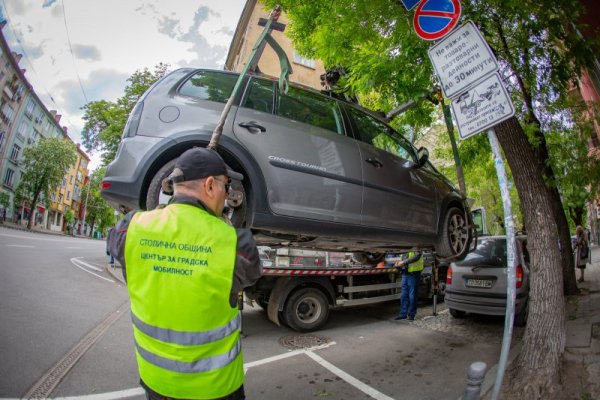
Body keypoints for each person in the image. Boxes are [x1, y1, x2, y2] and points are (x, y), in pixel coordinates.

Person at [108, 147, 262, 400]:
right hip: (216, 388)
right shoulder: (235, 243)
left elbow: (113, 243)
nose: (228, 194)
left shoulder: (131, 227)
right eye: (226, 185)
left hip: (156, 382)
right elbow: (252, 272)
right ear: (211, 185)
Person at [394, 251, 423, 321]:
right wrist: (397, 264)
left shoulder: (416, 244)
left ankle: (411, 315)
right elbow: (401, 258)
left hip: (414, 274)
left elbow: (417, 256)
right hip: (405, 273)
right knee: (404, 295)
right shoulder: (404, 246)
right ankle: (403, 314)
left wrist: (403, 262)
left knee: (412, 296)